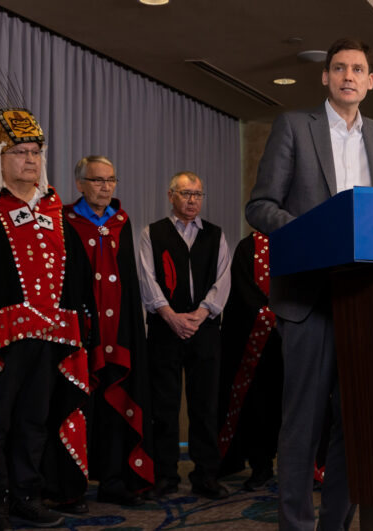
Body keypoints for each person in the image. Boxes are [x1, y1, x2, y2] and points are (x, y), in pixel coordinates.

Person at [245, 37, 373, 530]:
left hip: (368, 300)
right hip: (309, 297)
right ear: (325, 77)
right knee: (303, 423)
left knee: (355, 424)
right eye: (338, 67)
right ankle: (296, 526)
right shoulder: (295, 126)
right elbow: (260, 205)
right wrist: (311, 233)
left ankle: (335, 524)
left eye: (357, 69)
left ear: (370, 81)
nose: (347, 76)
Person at [0, 98, 96, 527]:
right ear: (0, 159)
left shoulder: (56, 208)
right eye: (21, 152)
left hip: (52, 334)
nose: (31, 160)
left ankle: (26, 493)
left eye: (36, 152)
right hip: (2, 337)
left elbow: (75, 271)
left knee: (35, 419)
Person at [64, 156, 154, 506]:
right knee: (79, 406)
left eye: (111, 180)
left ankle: (115, 480)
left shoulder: (122, 222)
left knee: (117, 403)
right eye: (98, 180)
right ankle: (72, 486)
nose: (105, 187)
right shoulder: (66, 220)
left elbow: (129, 279)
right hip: (83, 331)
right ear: (80, 185)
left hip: (120, 333)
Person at [139, 171, 231, 500]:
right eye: (185, 194)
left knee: (205, 408)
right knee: (163, 408)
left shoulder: (216, 235)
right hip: (165, 330)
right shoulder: (152, 233)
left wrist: (200, 314)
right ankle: (164, 477)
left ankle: (206, 476)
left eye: (198, 195)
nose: (192, 201)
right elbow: (147, 279)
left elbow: (223, 280)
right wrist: (170, 316)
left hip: (204, 331)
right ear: (171, 195)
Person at [217, 231, 283, 491]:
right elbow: (243, 293)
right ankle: (261, 466)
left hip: (297, 340)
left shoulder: (304, 238)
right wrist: (273, 317)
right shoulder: (249, 246)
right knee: (259, 406)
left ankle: (304, 468)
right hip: (260, 343)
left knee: (298, 406)